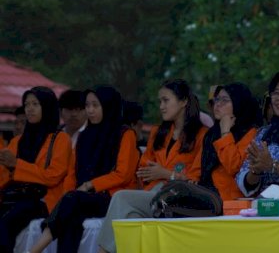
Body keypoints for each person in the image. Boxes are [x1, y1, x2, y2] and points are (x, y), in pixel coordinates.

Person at [96, 79, 207, 253]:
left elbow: (195, 178)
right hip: (152, 194)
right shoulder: (158, 132)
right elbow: (144, 168)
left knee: (120, 198)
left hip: (178, 198)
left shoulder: (201, 135)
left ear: (184, 101)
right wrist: (159, 178)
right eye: (160, 101)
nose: (161, 106)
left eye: (166, 100)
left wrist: (167, 174)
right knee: (130, 219)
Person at [29, 86, 140, 253]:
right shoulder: (84, 135)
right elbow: (72, 173)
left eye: (95, 105)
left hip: (111, 197)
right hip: (83, 198)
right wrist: (68, 194)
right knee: (71, 218)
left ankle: (34, 250)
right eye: (87, 105)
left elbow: (122, 174)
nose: (90, 110)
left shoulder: (125, 134)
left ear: (108, 105)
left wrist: (89, 185)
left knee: (73, 202)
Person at [0, 87, 72, 253]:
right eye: (27, 105)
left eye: (35, 104)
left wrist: (17, 165)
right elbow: (4, 176)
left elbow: (53, 176)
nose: (29, 109)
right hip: (14, 197)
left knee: (6, 224)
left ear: (46, 107)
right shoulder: (18, 141)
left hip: (42, 199)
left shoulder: (60, 139)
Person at [195, 83, 261, 201]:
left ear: (238, 103)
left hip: (233, 201)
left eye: (224, 100)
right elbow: (199, 169)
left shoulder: (252, 132)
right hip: (207, 193)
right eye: (217, 100)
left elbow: (234, 167)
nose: (217, 104)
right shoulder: (212, 133)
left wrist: (225, 132)